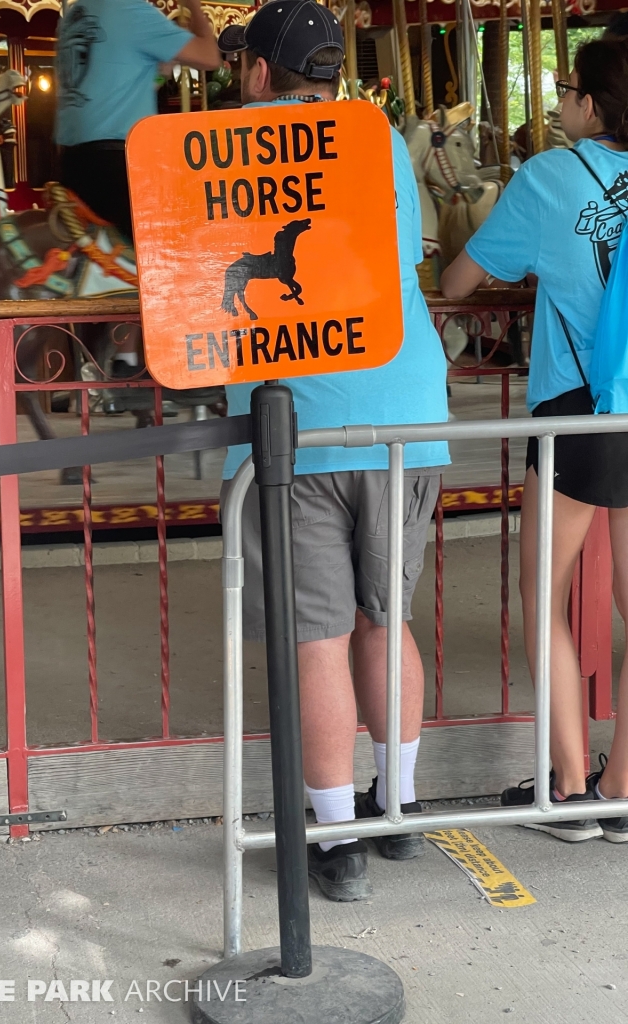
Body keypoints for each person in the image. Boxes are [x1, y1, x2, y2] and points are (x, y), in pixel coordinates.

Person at [217, 0, 450, 901]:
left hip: (296, 427)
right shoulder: (379, 137)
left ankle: (336, 839)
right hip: (406, 413)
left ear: (261, 73)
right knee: (385, 620)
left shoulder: (235, 143)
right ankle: (397, 810)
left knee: (314, 637)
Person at [441, 38, 628, 842]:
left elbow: (458, 279)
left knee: (542, 594)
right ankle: (621, 793)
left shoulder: (549, 178)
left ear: (591, 105)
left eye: (564, 89)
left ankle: (568, 786)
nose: (557, 103)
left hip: (579, 412)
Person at [55, 0, 220, 239]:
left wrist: (159, 76)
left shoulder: (73, 15)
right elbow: (210, 56)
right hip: (116, 164)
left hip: (72, 160)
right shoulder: (130, 11)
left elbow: (113, 90)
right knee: (187, 239)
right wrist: (193, 6)